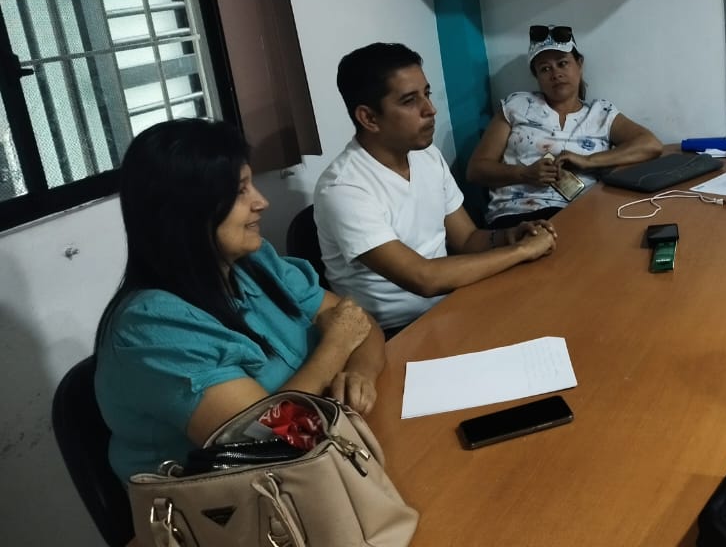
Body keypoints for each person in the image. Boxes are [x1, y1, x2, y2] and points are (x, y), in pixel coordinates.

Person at [95, 119, 386, 482]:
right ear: (184, 212)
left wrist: (359, 374)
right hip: (256, 498)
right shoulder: (152, 326)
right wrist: (338, 343)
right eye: (240, 191)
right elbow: (273, 437)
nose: (261, 202)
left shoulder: (255, 262)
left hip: (330, 452)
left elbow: (362, 323)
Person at [314, 42, 557, 333]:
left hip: (450, 306)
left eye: (426, 94)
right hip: (391, 335)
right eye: (409, 101)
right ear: (369, 118)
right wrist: (522, 251)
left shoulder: (426, 155)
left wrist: (508, 236)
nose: (430, 109)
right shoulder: (343, 188)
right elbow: (424, 279)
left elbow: (467, 240)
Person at [467, 25, 662, 228]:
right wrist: (524, 173)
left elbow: (650, 144)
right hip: (516, 217)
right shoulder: (516, 105)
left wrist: (588, 161)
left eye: (562, 63)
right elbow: (476, 170)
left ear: (579, 64)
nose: (555, 74)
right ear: (536, 76)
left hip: (582, 216)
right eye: (545, 69)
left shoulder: (600, 113)